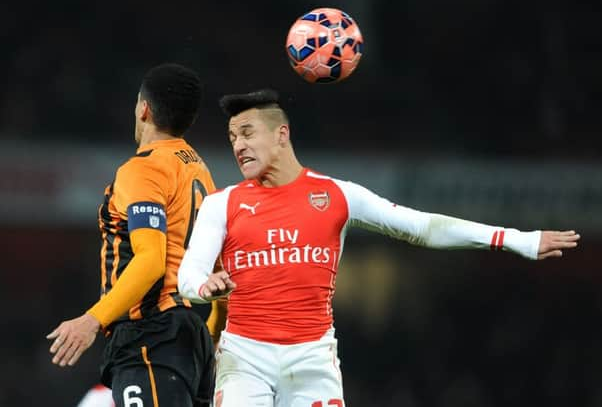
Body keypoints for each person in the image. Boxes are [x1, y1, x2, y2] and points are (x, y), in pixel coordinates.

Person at [176, 88, 580, 407]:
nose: (238, 146)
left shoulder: (338, 195)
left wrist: (518, 240)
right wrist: (203, 286)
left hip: (312, 360)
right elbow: (188, 275)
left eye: (247, 133)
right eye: (232, 138)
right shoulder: (222, 203)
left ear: (282, 134)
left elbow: (422, 227)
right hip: (244, 357)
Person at [47, 63, 226, 407]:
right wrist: (214, 335)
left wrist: (91, 320)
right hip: (192, 341)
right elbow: (220, 263)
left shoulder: (142, 169)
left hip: (152, 334)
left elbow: (151, 260)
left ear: (143, 108)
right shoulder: (199, 171)